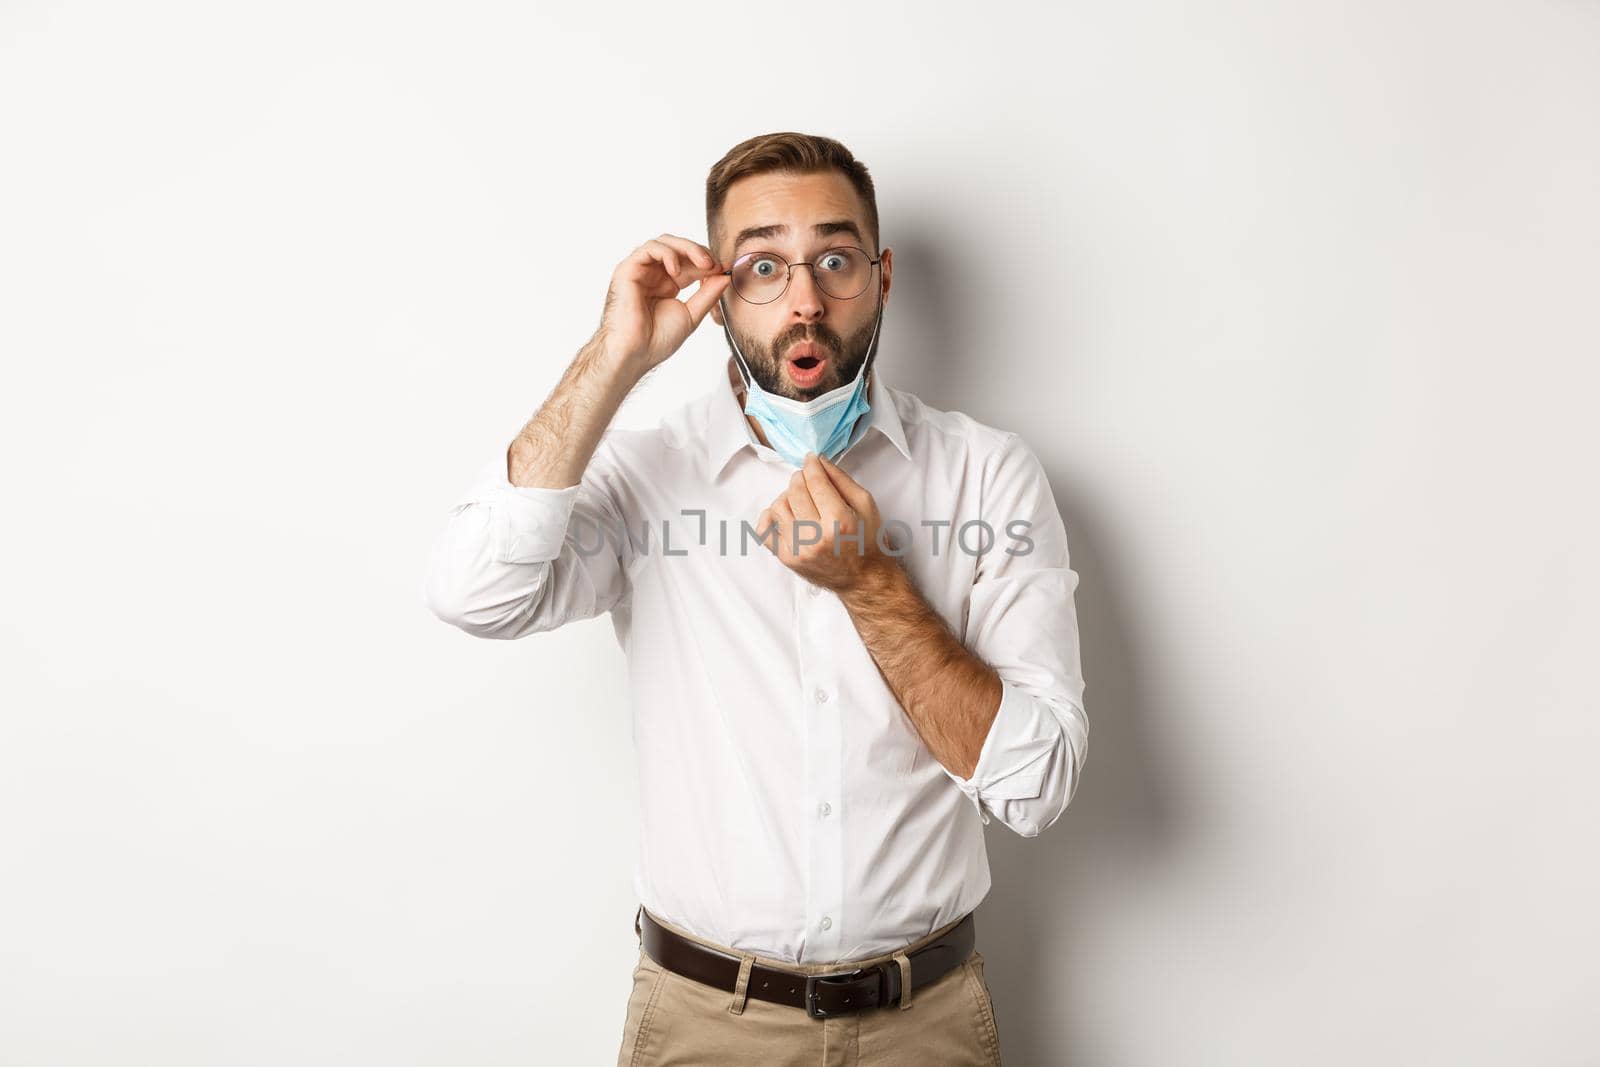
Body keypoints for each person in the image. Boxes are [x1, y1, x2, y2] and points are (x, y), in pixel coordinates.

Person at [422, 131, 1089, 1066]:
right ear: (721, 290)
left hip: (925, 1025)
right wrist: (613, 356)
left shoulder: (988, 476)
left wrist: (874, 583)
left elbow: (1036, 785)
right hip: (703, 1024)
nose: (806, 298)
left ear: (882, 275)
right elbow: (474, 592)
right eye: (765, 264)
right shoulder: (650, 474)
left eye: (835, 258)